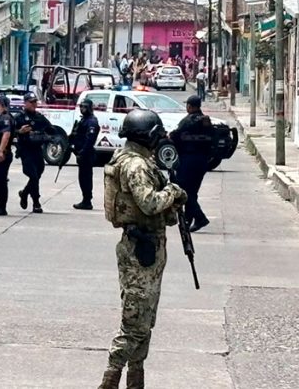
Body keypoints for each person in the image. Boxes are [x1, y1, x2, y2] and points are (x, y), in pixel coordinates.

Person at [98, 109, 187, 389]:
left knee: (144, 321)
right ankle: (109, 381)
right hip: (141, 249)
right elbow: (149, 203)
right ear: (147, 136)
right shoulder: (136, 165)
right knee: (135, 323)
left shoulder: (132, 160)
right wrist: (173, 192)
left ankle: (135, 381)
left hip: (143, 246)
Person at [169, 95, 214, 232]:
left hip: (188, 160)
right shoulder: (206, 121)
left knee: (183, 190)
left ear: (190, 106)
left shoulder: (188, 121)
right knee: (192, 191)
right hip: (203, 161)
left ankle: (200, 218)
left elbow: (175, 136)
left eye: (187, 105)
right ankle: (188, 221)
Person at [13, 92, 52, 213]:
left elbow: (51, 129)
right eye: (31, 102)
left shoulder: (39, 117)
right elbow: (10, 131)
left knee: (38, 174)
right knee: (33, 176)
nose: (34, 104)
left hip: (37, 150)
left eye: (35, 102)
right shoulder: (19, 117)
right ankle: (36, 202)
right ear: (25, 103)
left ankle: (24, 193)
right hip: (25, 150)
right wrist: (20, 131)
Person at [71, 99, 100, 210]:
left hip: (86, 154)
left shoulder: (91, 121)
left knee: (86, 178)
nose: (82, 109)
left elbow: (90, 140)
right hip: (80, 153)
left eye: (85, 106)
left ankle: (87, 200)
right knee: (82, 178)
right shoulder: (83, 120)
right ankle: (85, 199)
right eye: (81, 106)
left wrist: (82, 152)